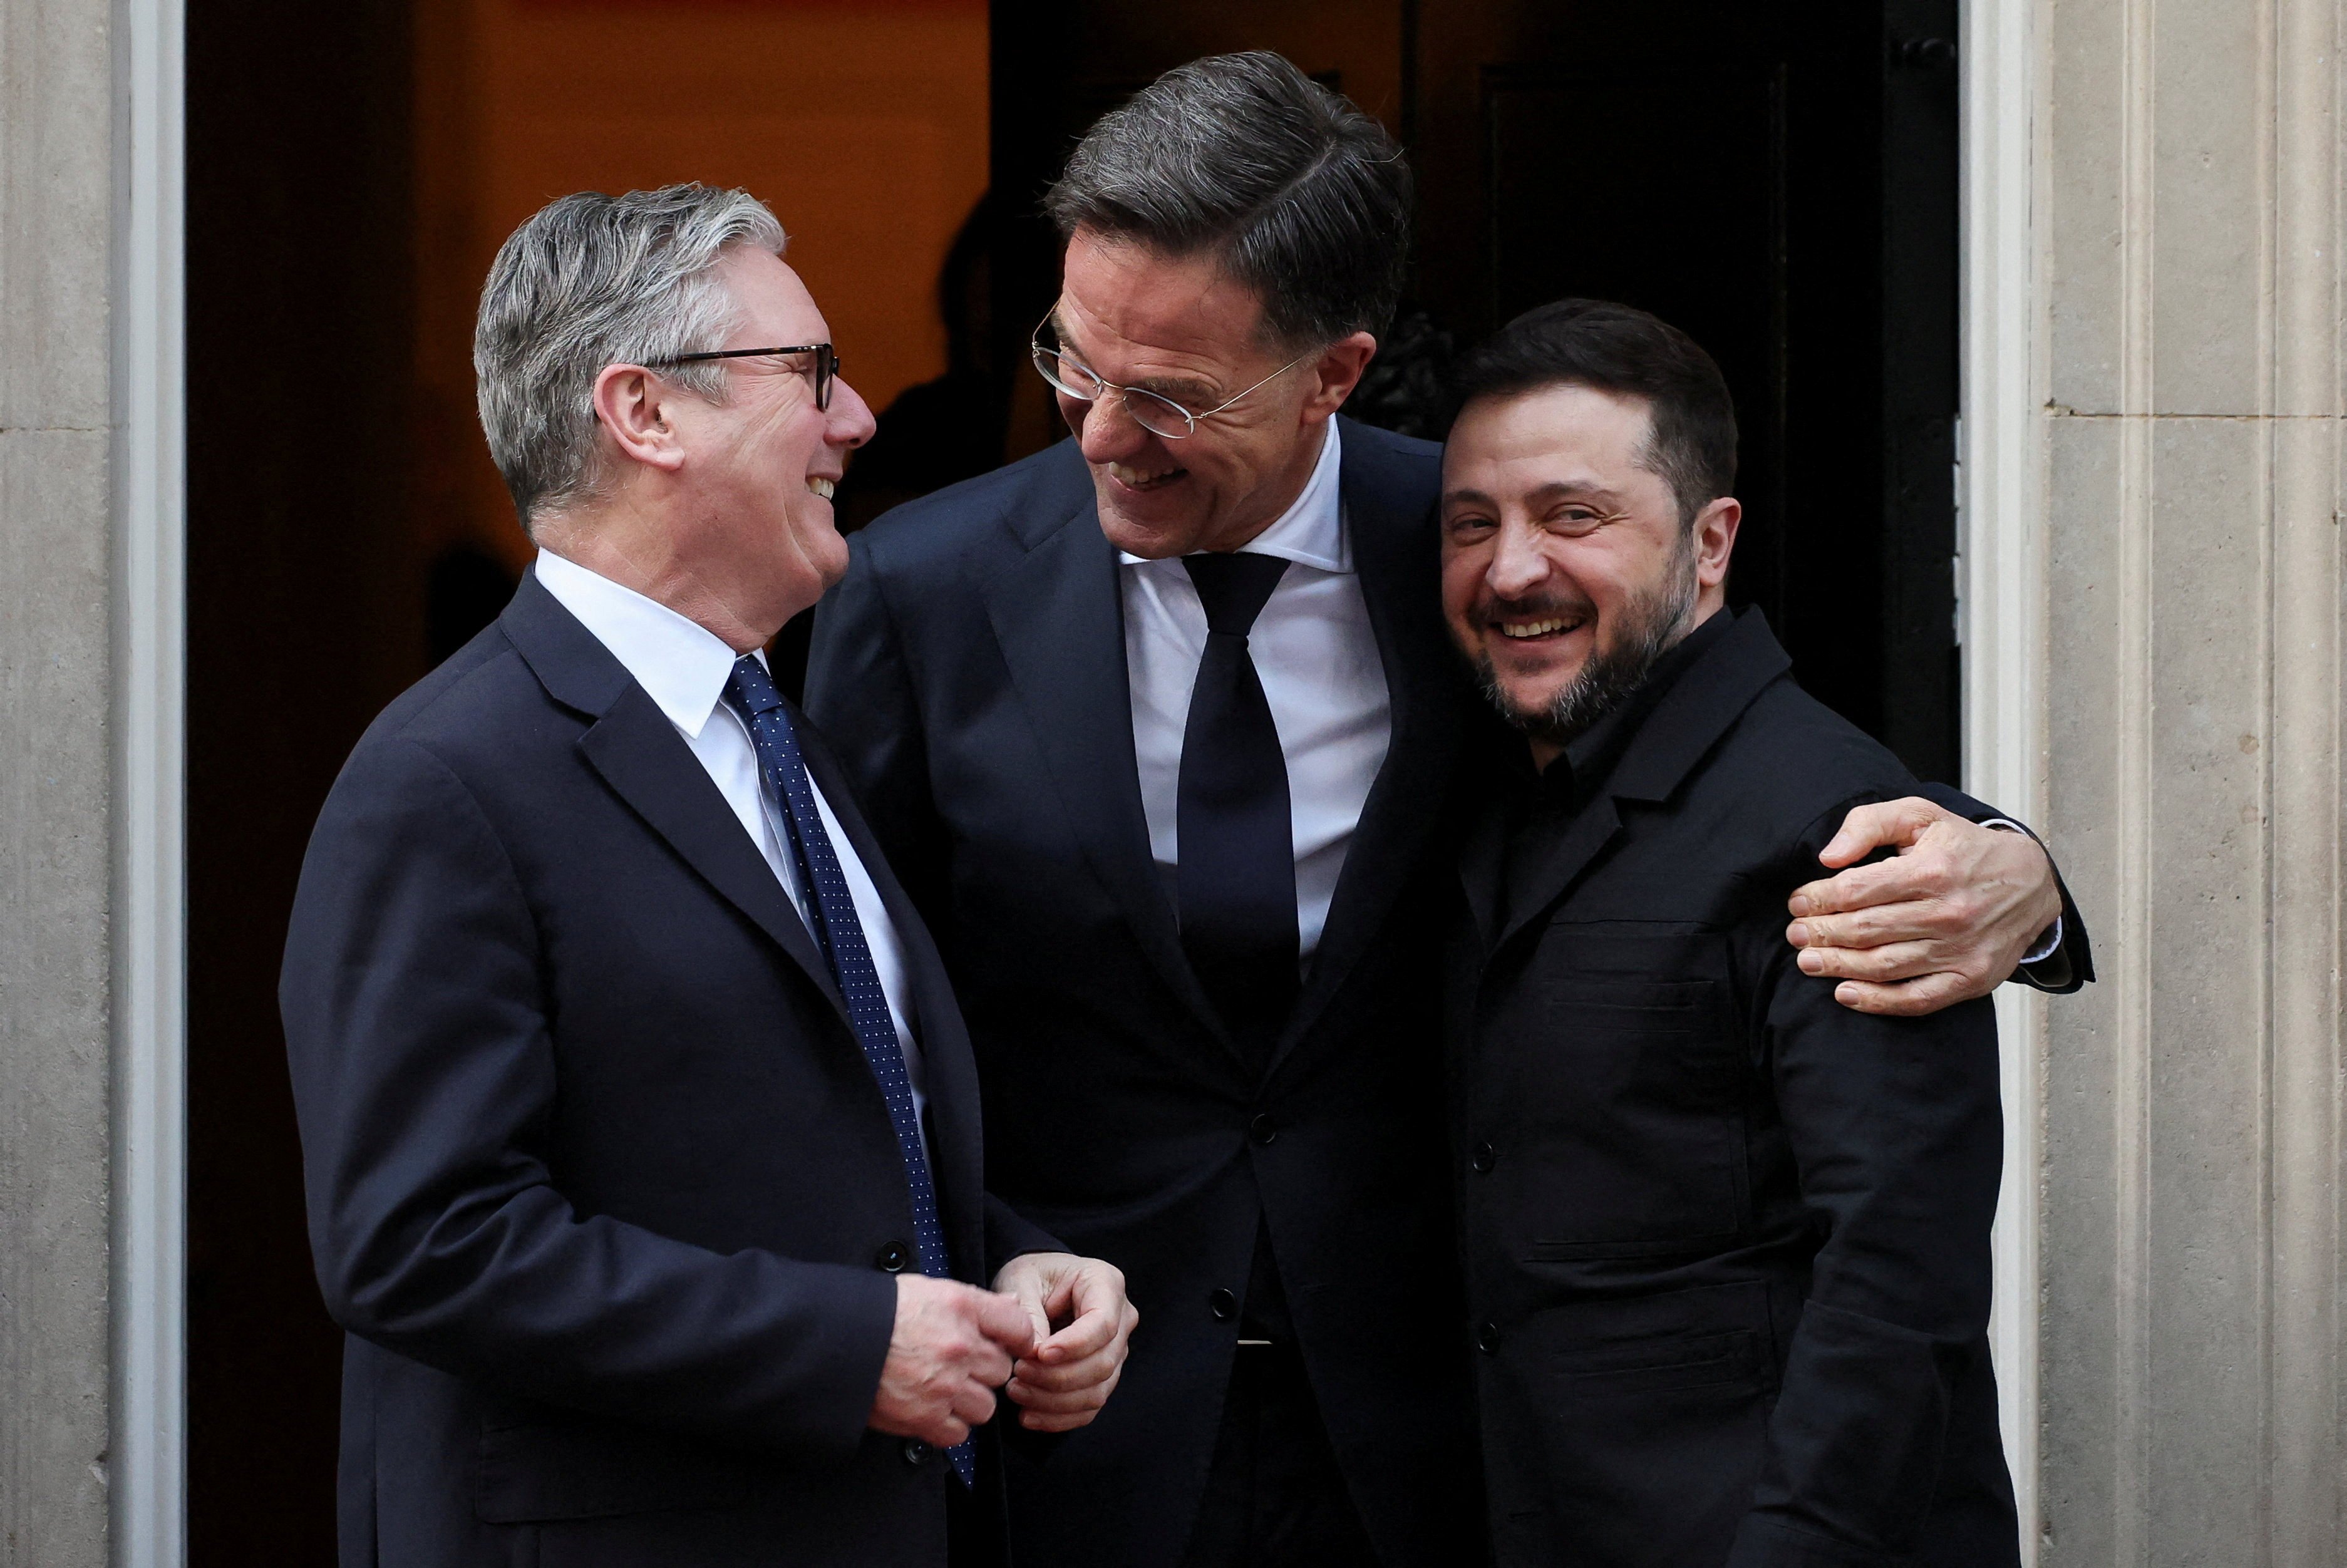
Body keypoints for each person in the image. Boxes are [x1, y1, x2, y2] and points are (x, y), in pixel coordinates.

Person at [804, 53, 2081, 1568]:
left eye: (1171, 395)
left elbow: (1715, 743)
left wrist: (2017, 871)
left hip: (1438, 1444)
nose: (1097, 430)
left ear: (1331, 375)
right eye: (1074, 361)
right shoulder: (924, 587)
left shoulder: (1472, 544)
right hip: (1074, 1432)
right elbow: (841, 992)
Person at [279, 184, 1135, 1568]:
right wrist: (850, 1346)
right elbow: (418, 1241)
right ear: (645, 413)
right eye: (809, 373)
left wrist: (1004, 1268)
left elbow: (798, 1143)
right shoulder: (445, 779)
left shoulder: (773, 735)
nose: (857, 417)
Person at [1440, 298, 2021, 1566]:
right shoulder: (1485, 791)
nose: (1511, 568)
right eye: (1472, 522)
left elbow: (1894, 1275)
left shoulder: (1840, 830)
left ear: (1709, 544)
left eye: (1573, 515)